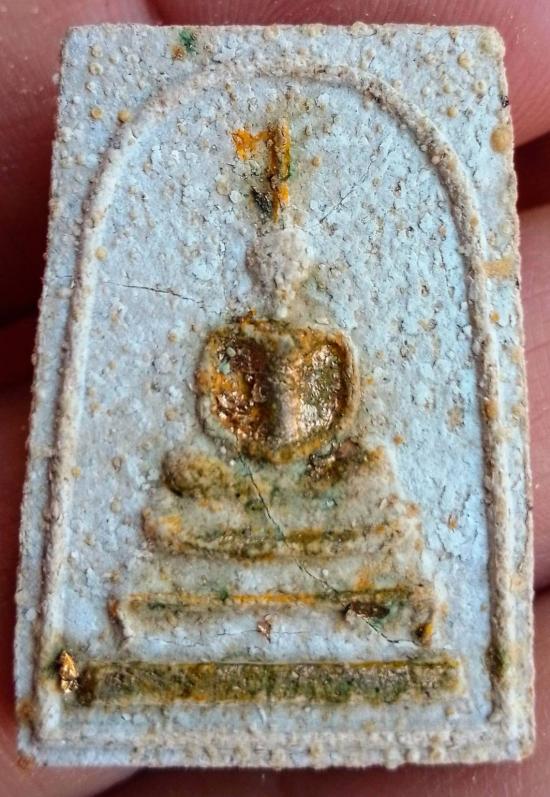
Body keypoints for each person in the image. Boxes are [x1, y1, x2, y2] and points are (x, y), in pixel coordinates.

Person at [0, 1, 548, 795]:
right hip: (233, 479)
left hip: (319, 481)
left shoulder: (323, 346)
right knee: (188, 481)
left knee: (365, 477)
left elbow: (332, 415)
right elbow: (220, 414)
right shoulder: (233, 340)